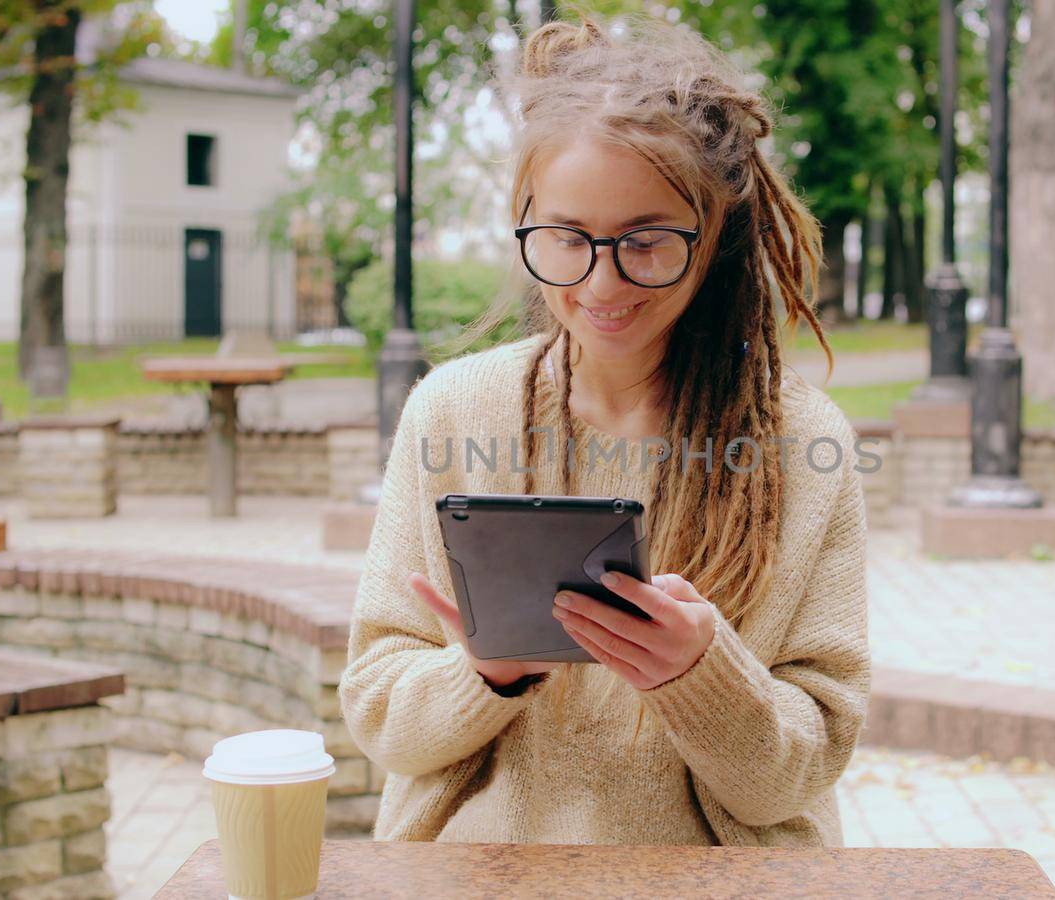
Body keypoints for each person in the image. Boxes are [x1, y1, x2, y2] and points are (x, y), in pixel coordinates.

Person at [339, 13, 871, 847]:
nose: (602, 280)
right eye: (566, 239)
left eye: (647, 242)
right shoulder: (451, 411)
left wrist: (703, 678)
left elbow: (799, 774)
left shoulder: (802, 444)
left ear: (715, 234)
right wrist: (484, 672)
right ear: (526, 223)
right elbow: (381, 721)